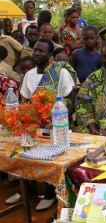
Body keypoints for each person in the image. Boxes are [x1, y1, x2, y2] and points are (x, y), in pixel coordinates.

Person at [19, 38, 77, 211]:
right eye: (35, 50)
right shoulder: (29, 75)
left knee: (54, 160)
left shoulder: (59, 72)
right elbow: (26, 103)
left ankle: (52, 194)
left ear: (50, 55)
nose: (37, 53)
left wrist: (58, 121)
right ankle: (27, 189)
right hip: (36, 125)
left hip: (57, 124)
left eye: (41, 51)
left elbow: (73, 100)